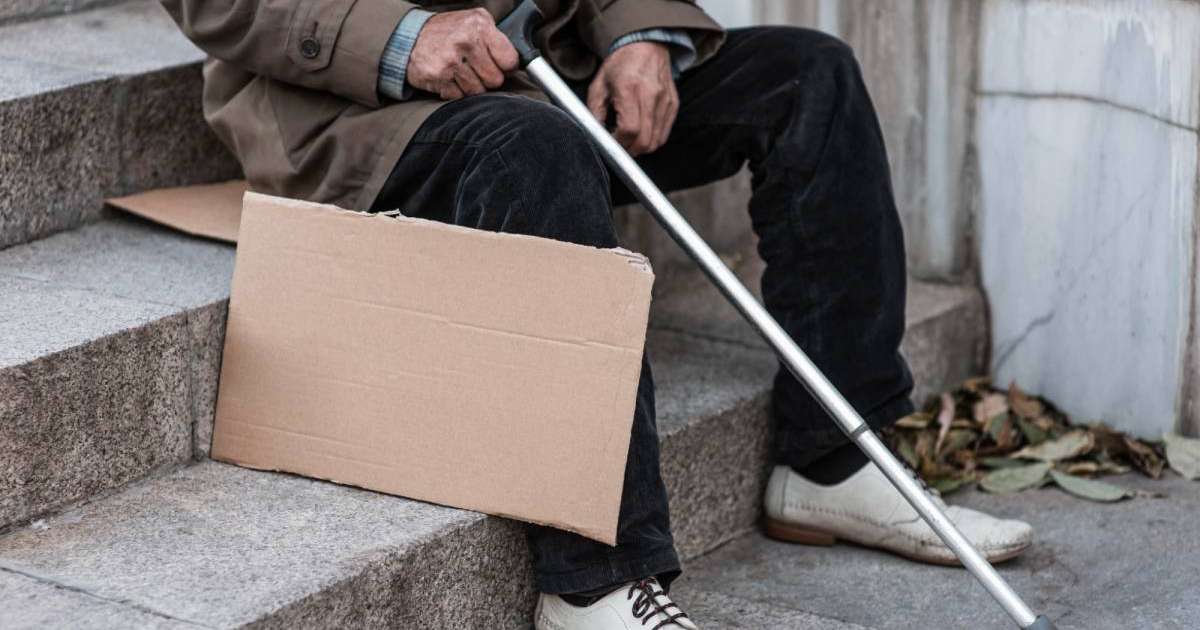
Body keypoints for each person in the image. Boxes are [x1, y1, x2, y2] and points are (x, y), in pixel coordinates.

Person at [160, 1, 1034, 628]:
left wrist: (641, 32)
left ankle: (833, 461)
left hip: (549, 68)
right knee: (538, 152)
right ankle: (592, 582)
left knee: (808, 76)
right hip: (365, 110)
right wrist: (399, 36)